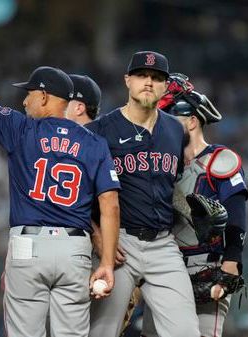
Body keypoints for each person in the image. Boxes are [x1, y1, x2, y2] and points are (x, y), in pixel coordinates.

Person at [0, 18, 121, 337]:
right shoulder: (94, 142)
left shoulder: (22, 129)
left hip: (28, 246)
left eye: (29, 94)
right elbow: (110, 205)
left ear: (45, 97)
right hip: (74, 249)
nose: (24, 100)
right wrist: (105, 260)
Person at [86, 51, 200, 337]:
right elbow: (80, 194)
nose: (149, 82)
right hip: (119, 243)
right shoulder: (99, 131)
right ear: (128, 80)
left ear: (165, 86)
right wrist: (98, 236)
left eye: (157, 77)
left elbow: (172, 186)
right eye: (142, 75)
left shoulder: (176, 130)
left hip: (163, 244)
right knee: (101, 331)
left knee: (185, 330)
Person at [141, 79, 248, 337]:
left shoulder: (219, 160)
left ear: (192, 121)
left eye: (170, 119)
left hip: (206, 264)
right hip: (164, 263)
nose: (163, 126)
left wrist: (232, 259)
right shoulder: (164, 164)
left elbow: (236, 212)